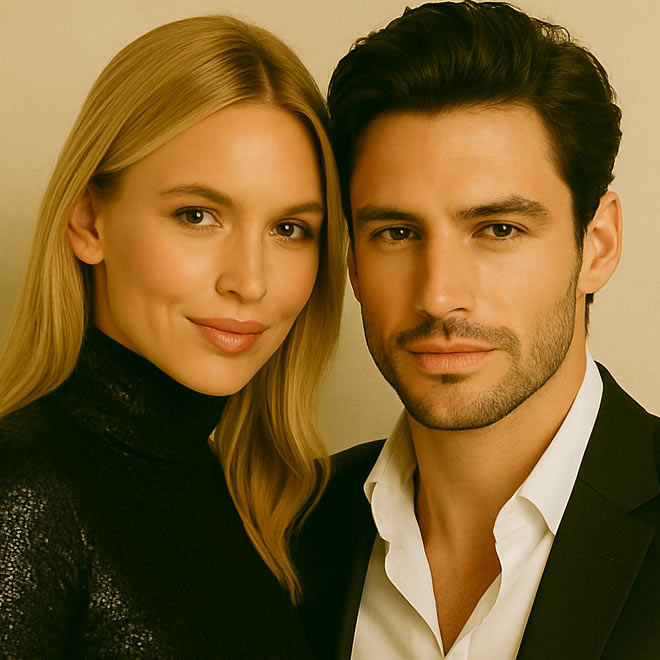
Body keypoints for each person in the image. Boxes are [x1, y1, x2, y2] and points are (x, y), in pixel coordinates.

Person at [296, 2, 660, 659]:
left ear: (597, 245)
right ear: (352, 260)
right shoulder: (286, 530)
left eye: (498, 229)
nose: (439, 296)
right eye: (396, 233)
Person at [0, 15, 345, 658]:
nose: (249, 281)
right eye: (197, 215)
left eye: (290, 229)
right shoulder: (23, 489)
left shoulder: (253, 502)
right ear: (89, 222)